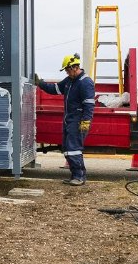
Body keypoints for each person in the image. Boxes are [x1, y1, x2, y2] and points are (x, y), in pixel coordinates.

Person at [34, 54, 95, 186]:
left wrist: (86, 121)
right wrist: (40, 83)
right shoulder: (69, 81)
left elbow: (89, 104)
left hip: (78, 121)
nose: (66, 72)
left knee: (74, 148)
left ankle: (79, 177)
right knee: (68, 148)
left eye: (67, 69)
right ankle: (76, 176)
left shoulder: (85, 82)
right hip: (69, 120)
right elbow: (54, 89)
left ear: (74, 67)